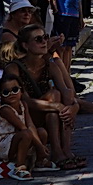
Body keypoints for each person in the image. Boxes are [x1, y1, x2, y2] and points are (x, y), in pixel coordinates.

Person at [13, 24, 84, 170]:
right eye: (38, 39)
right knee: (54, 99)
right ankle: (58, 152)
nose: (44, 42)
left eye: (45, 37)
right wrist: (57, 106)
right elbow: (25, 101)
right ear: (25, 45)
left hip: (48, 112)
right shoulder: (15, 67)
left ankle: (65, 150)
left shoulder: (49, 65)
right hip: (25, 116)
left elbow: (68, 92)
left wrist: (73, 108)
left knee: (59, 95)